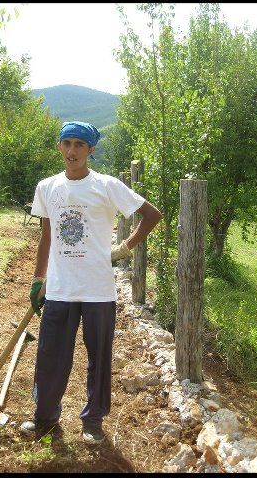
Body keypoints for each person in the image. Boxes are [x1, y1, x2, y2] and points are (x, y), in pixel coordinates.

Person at [20, 121, 162, 445]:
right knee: (50, 355)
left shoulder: (107, 186)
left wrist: (123, 249)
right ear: (59, 146)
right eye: (66, 143)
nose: (72, 151)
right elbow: (46, 238)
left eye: (79, 145)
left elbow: (152, 215)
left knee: (99, 357)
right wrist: (38, 279)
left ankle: (93, 421)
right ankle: (44, 416)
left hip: (98, 289)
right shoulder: (47, 187)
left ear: (91, 150)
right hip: (60, 288)